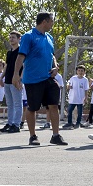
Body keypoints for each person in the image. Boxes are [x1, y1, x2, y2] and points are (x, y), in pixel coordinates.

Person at [12, 12, 67, 146]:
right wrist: (16, 75)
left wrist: (55, 67)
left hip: (48, 78)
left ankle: (55, 135)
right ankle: (32, 136)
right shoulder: (28, 36)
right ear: (44, 21)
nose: (52, 24)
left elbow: (52, 55)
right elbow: (21, 57)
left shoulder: (49, 37)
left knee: (54, 105)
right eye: (51, 22)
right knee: (33, 108)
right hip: (33, 79)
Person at [0, 32, 23, 133]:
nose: (11, 39)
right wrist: (1, 78)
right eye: (10, 37)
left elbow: (24, 67)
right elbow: (7, 66)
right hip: (7, 81)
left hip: (16, 81)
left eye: (13, 37)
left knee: (17, 103)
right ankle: (9, 123)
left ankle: (16, 125)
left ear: (19, 39)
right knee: (10, 104)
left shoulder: (21, 51)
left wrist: (20, 79)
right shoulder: (9, 52)